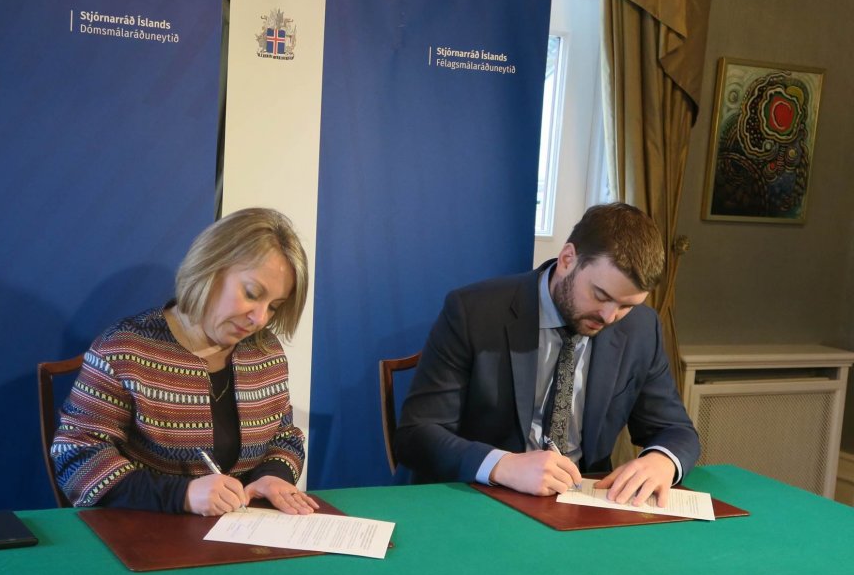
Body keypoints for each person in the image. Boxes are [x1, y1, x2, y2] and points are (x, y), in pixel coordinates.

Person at [394, 203, 699, 507]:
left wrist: (662, 461)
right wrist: (502, 465)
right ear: (567, 260)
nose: (609, 317)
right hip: (483, 499)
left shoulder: (640, 328)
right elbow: (417, 434)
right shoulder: (473, 312)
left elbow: (675, 429)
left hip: (583, 505)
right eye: (600, 295)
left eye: (626, 305)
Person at [51, 208, 319, 516]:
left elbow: (284, 437)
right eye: (251, 293)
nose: (259, 319)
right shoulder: (125, 349)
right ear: (208, 270)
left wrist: (273, 475)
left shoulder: (264, 351)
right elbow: (76, 456)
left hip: (239, 530)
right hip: (149, 530)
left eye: (273, 307)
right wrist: (183, 495)